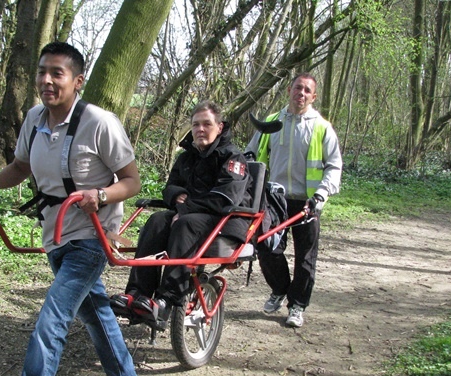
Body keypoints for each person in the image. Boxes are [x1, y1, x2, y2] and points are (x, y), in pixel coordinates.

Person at [0, 42, 141, 376]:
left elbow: (131, 181)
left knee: (50, 324)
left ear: (77, 82)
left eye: (57, 73)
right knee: (94, 310)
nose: (46, 80)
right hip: (55, 233)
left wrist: (99, 195)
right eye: (42, 72)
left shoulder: (99, 123)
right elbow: (21, 167)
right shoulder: (33, 119)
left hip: (93, 235)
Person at [110, 101, 252, 330]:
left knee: (185, 223)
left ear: (220, 127)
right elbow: (170, 188)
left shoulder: (232, 158)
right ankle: (138, 295)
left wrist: (186, 207)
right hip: (192, 217)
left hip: (226, 220)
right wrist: (177, 196)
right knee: (157, 220)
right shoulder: (186, 157)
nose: (200, 129)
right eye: (196, 125)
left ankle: (167, 299)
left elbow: (225, 198)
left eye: (207, 124)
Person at [245, 73, 342, 328]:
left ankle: (297, 305)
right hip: (273, 200)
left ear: (313, 96)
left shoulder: (322, 127)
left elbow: (334, 166)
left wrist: (321, 194)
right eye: (298, 87)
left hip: (307, 202)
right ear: (289, 89)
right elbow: (251, 154)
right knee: (265, 246)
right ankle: (279, 289)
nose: (301, 93)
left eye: (307, 90)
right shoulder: (270, 122)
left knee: (305, 257)